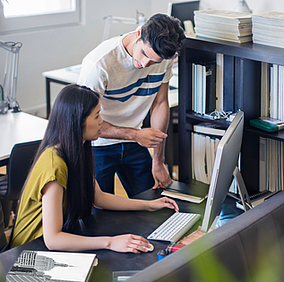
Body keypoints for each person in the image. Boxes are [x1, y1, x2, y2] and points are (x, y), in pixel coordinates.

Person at [10, 84, 179, 253]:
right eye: (97, 116)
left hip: (52, 244)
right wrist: (110, 242)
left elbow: (99, 197)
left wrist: (148, 204)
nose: (101, 122)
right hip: (29, 251)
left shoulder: (78, 149)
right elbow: (53, 240)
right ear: (77, 121)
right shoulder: (55, 164)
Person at [78, 13, 185, 197]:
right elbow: (83, 122)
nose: (144, 64)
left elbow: (159, 104)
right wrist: (135, 134)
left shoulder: (163, 58)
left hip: (135, 141)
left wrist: (158, 161)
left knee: (151, 204)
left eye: (153, 61)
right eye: (144, 53)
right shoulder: (98, 65)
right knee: (98, 216)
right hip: (98, 144)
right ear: (139, 33)